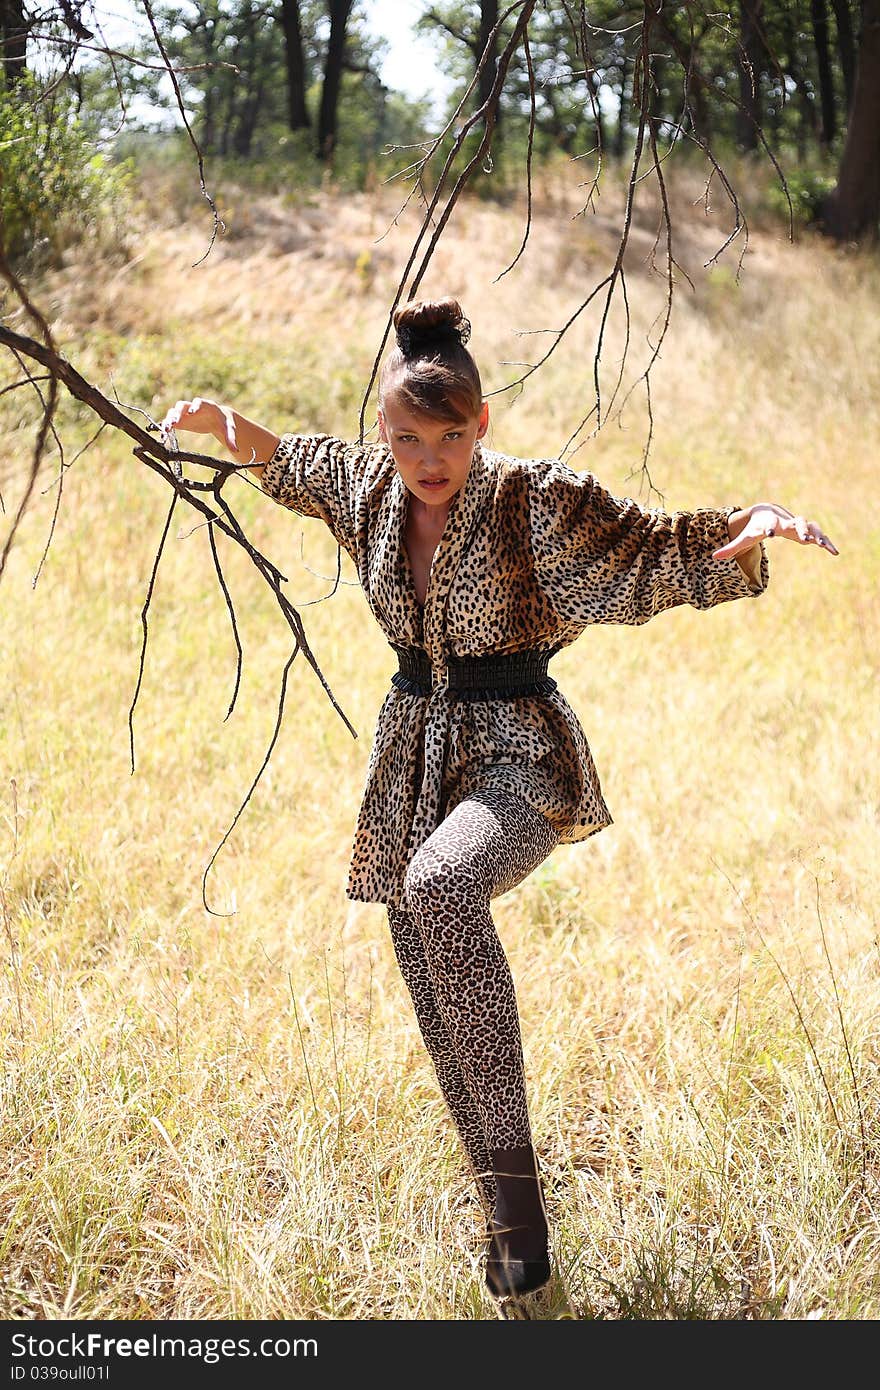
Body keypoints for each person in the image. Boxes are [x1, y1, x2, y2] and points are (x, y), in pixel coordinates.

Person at [159, 297, 838, 1305]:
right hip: (412, 760)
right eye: (405, 438)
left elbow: (645, 550)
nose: (426, 459)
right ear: (383, 434)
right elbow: (293, 466)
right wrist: (224, 425)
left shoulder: (534, 500)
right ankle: (510, 1235)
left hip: (520, 750)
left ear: (481, 426)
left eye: (446, 437)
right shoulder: (370, 489)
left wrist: (747, 527)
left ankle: (522, 1233)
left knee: (442, 884)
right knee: (438, 1007)